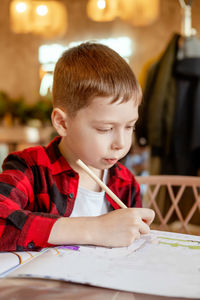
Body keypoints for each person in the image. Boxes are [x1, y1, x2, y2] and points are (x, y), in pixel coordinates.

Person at [0, 43, 155, 251]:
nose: (121, 143)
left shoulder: (125, 182)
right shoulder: (30, 168)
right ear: (62, 123)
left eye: (130, 127)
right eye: (105, 129)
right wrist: (96, 229)